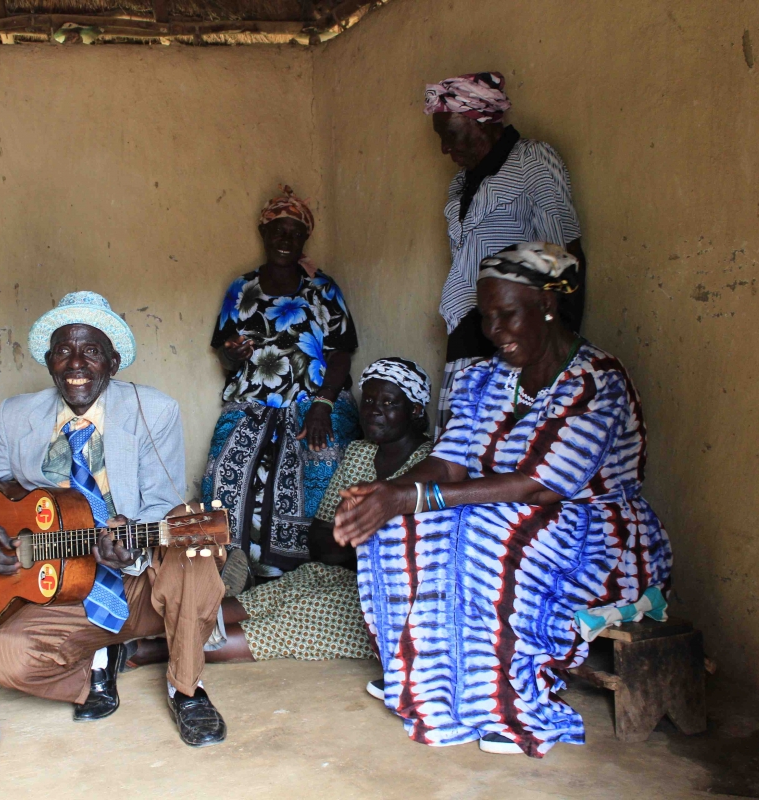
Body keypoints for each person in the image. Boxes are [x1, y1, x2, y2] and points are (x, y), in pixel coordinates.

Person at [333, 243, 672, 758]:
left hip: (592, 530)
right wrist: (388, 493)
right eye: (487, 317)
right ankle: (422, 671)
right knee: (392, 525)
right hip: (495, 505)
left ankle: (512, 700)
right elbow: (449, 463)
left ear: (548, 306)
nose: (495, 331)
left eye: (507, 315)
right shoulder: (482, 378)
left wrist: (413, 495)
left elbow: (542, 485)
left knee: (485, 532)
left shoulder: (597, 380)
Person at [0, 291, 228, 747]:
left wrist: (129, 538)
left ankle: (186, 688)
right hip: (65, 585)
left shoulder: (155, 411)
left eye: (90, 351)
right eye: (63, 351)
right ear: (49, 361)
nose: (76, 364)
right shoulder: (17, 418)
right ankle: (96, 666)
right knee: (3, 659)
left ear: (112, 362)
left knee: (189, 548)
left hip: (138, 580)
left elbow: (160, 502)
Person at [127, 358, 433, 667]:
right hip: (333, 574)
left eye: (388, 402)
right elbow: (319, 539)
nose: (373, 410)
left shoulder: (432, 464)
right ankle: (135, 634)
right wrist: (357, 539)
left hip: (385, 595)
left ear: (416, 411)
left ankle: (147, 650)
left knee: (275, 626)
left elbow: (407, 555)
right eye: (367, 400)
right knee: (250, 602)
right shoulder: (360, 453)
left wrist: (347, 536)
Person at [201, 186, 360, 579]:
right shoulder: (241, 289)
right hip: (251, 402)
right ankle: (231, 571)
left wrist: (323, 404)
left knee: (320, 467)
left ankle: (296, 576)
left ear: (305, 238)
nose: (285, 240)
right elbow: (223, 353)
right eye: (278, 231)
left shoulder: (322, 288)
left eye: (295, 233)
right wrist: (232, 355)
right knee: (223, 471)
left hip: (314, 401)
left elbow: (342, 352)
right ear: (264, 233)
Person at [424, 72, 587, 435]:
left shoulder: (532, 160)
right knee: (462, 451)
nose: (445, 150)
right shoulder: (460, 184)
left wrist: (559, 351)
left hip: (516, 337)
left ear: (480, 121)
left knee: (505, 446)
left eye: (450, 135)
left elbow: (563, 256)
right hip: (467, 332)